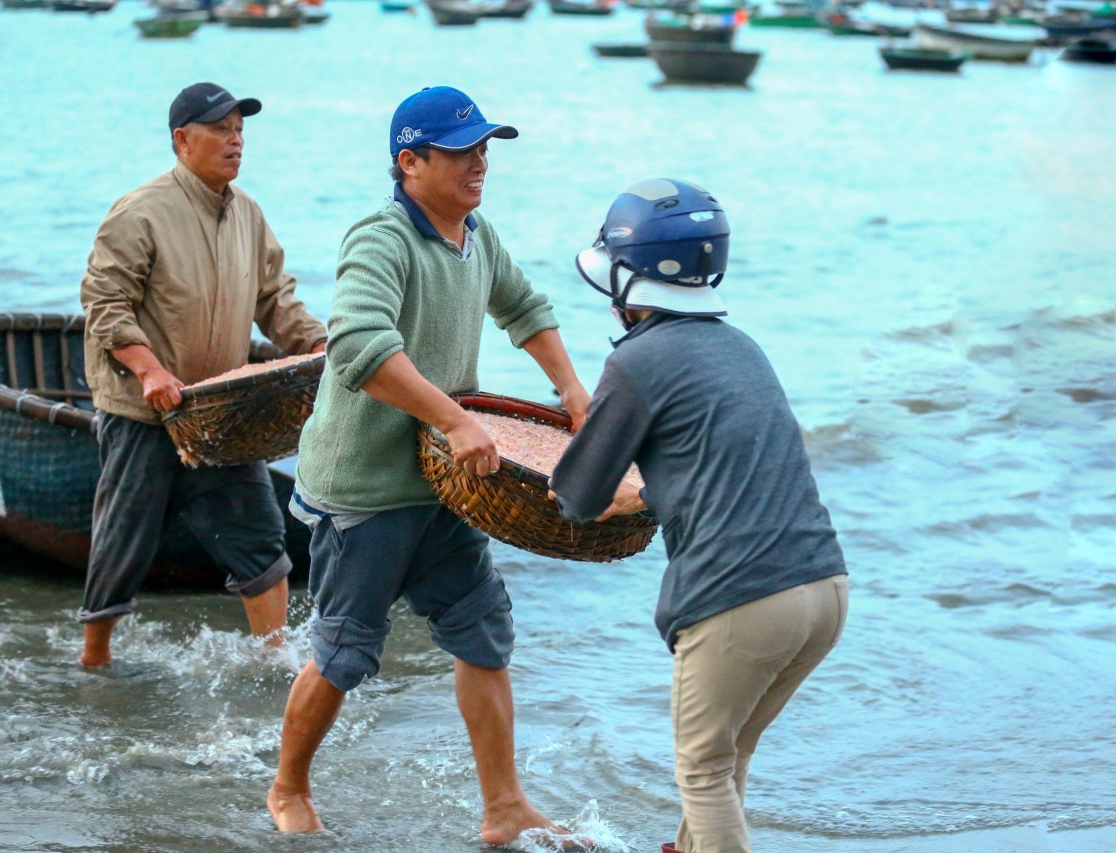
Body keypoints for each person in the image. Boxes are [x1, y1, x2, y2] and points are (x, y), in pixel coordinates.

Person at [265, 86, 591, 846]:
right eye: (461, 150)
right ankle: (286, 787)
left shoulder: (476, 234)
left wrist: (574, 390)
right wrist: (453, 416)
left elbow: (526, 307)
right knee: (344, 652)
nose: (480, 162)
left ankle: (504, 805)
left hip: (447, 481)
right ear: (410, 162)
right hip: (365, 488)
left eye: (484, 148)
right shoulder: (381, 238)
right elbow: (357, 350)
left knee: (483, 630)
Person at [550, 179, 849, 853]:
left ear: (632, 282)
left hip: (742, 599)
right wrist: (653, 492)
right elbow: (730, 463)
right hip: (825, 589)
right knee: (729, 755)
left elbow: (576, 497)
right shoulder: (740, 346)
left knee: (702, 770)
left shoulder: (638, 360)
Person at [76, 82, 327, 668]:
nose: (235, 140)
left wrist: (319, 342)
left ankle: (274, 665)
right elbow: (104, 304)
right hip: (144, 412)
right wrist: (150, 371)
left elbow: (276, 299)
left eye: (240, 129)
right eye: (221, 129)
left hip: (218, 413)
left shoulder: (248, 214)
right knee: (122, 543)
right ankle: (93, 663)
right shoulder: (140, 211)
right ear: (182, 140)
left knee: (262, 539)